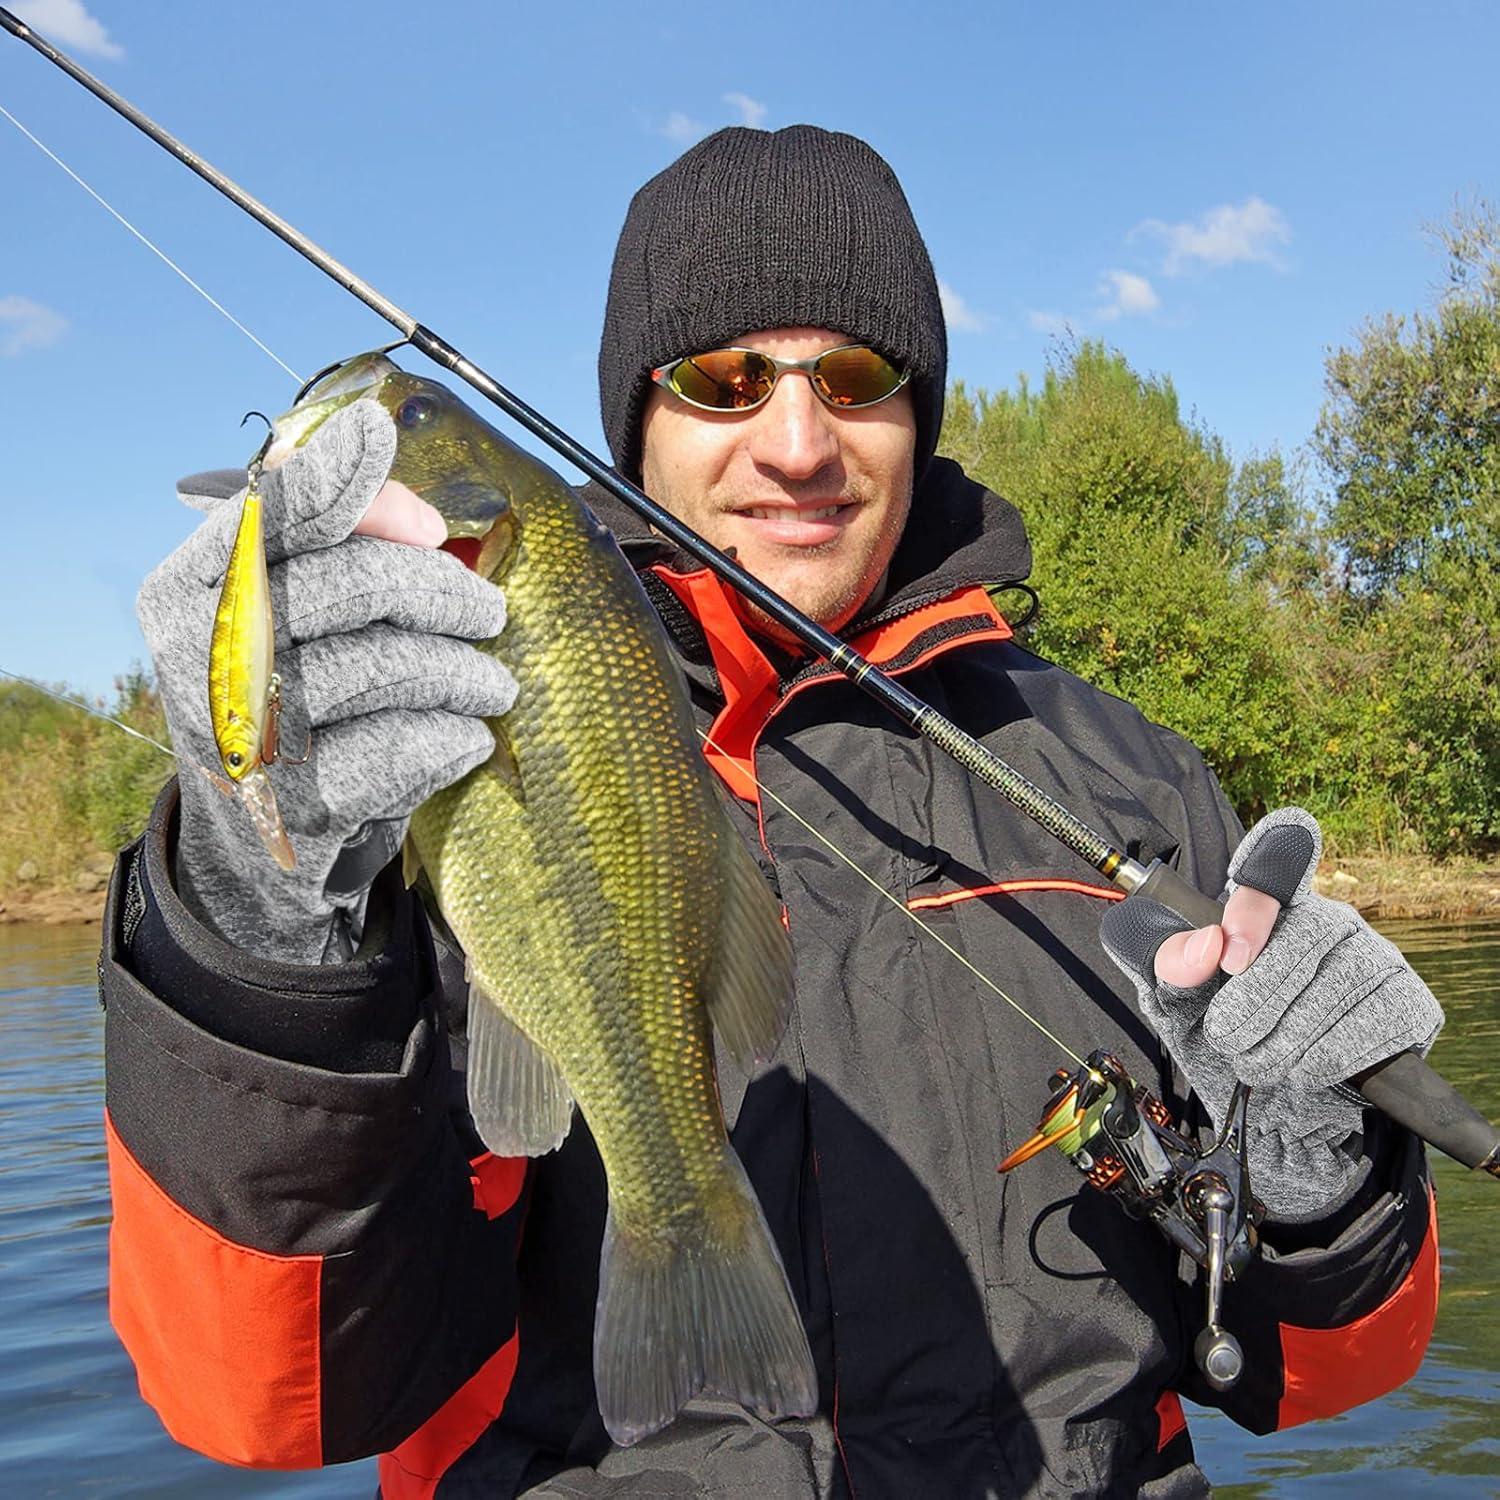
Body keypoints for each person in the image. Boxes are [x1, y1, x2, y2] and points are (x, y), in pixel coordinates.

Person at [102, 126, 1444, 1498]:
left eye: (856, 378)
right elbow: (263, 1407)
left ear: (919, 413)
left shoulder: (1135, 785)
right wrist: (256, 907)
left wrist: (1325, 1178)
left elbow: (1318, 1376)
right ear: (636, 423)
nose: (798, 444)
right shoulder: (397, 773)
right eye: (726, 380)